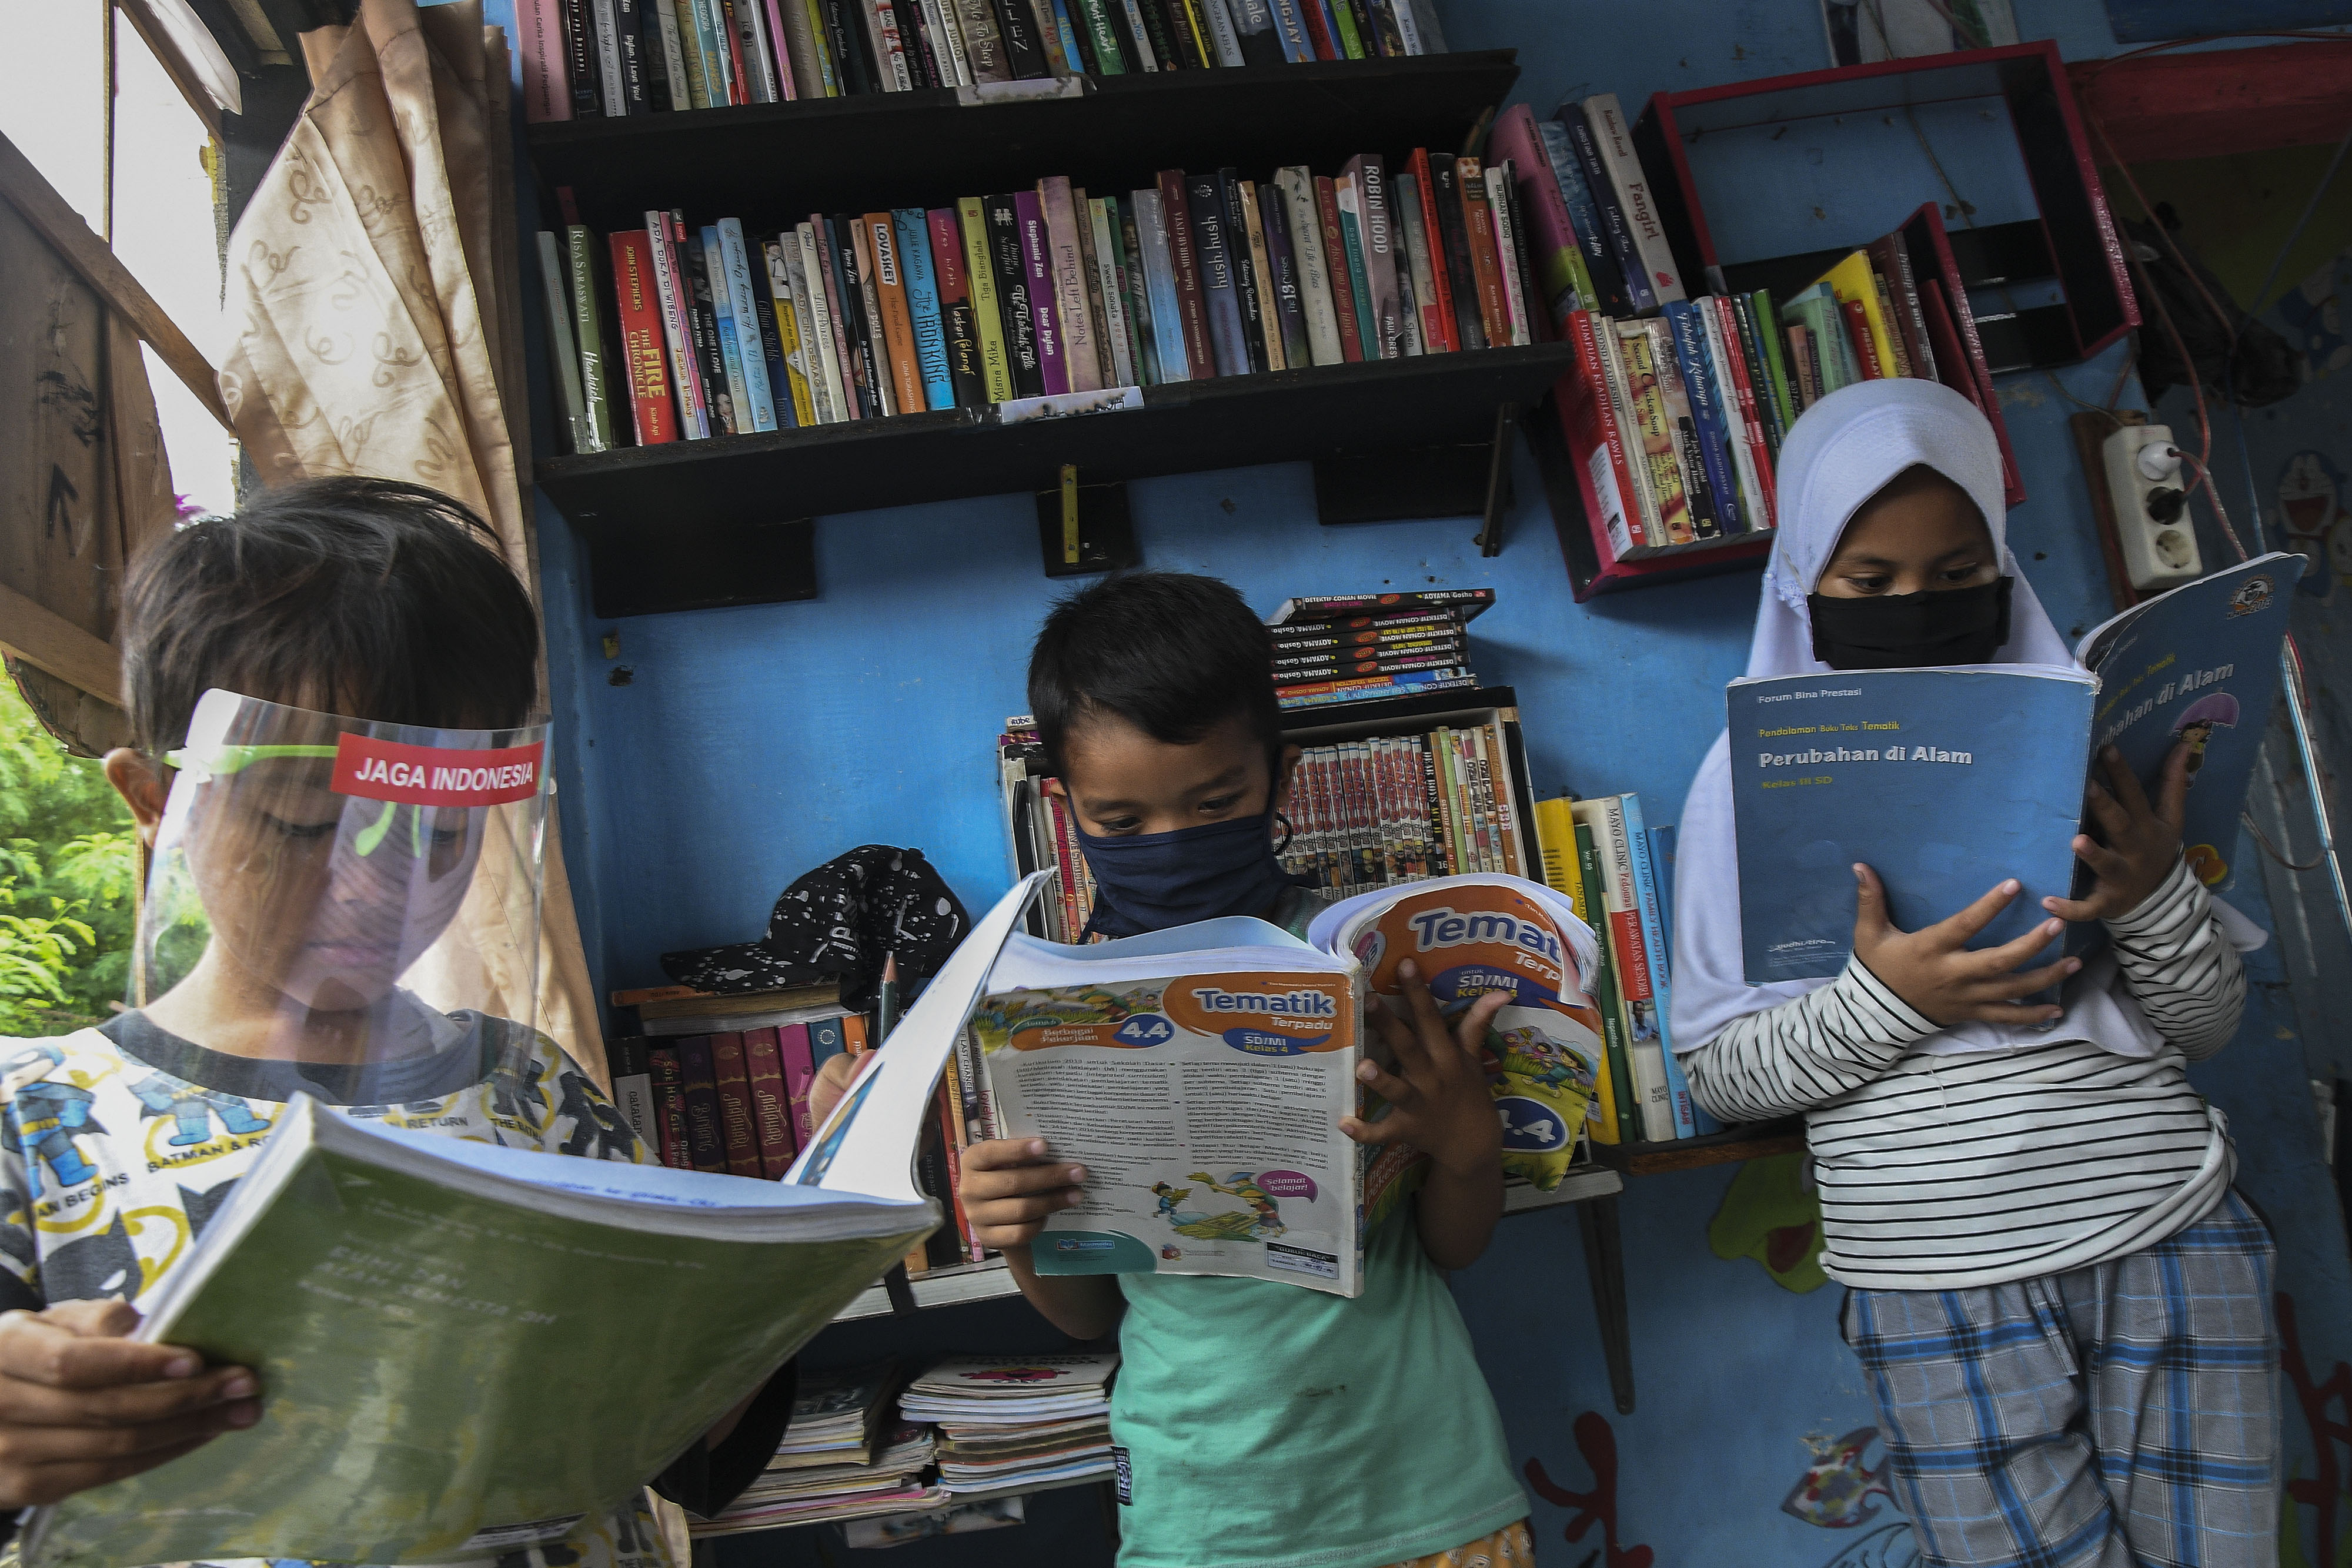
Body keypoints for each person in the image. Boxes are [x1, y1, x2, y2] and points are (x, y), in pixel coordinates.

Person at [0, 479, 791, 1563]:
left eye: (445, 835)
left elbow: (680, 1449)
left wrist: (745, 1323)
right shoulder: (34, 1124)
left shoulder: (531, 1088)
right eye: (303, 826)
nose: (380, 891)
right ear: (154, 804)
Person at [1672, 379, 2276, 1568]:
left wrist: (2150, 888)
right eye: (1869, 583)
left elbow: (2204, 1023)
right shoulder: (1732, 785)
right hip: (1931, 1273)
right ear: (1802, 580)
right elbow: (1722, 1072)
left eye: (1956, 576)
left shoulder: (2088, 738)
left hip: (2164, 1228)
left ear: (2000, 565)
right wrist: (1898, 994)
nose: (1916, 604)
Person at [950, 573, 1532, 1568]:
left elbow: (1452, 1248)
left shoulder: (1366, 964)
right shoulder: (1054, 1013)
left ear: (1281, 775)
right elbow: (1092, 1313)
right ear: (1067, 806)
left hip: (1425, 1487)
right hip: (1203, 1515)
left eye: (1217, 802)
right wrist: (1015, 1233)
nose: (1172, 846)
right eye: (1122, 823)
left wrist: (1471, 1148)